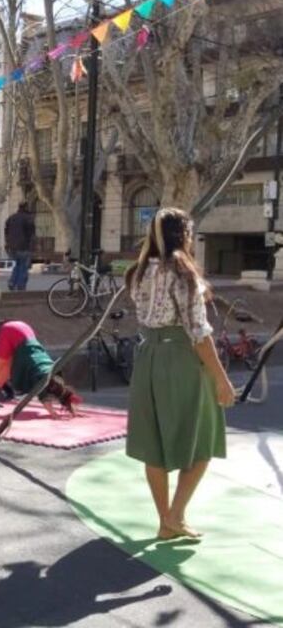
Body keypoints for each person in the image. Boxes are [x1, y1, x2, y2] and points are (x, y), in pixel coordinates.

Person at [124, 207, 234, 541]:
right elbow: (198, 333)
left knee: (153, 442)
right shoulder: (184, 274)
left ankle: (166, 522)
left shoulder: (138, 272)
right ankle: (175, 516)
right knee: (202, 439)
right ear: (183, 235)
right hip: (181, 359)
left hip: (147, 357)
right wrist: (222, 378)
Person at [0, 320, 82, 417]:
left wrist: (70, 409)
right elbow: (45, 398)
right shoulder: (43, 379)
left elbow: (58, 396)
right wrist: (53, 413)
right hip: (12, 332)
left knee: (7, 366)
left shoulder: (56, 375)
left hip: (25, 333)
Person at [4, 202, 35, 291]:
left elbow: (6, 233)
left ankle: (12, 282)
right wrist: (32, 247)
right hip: (24, 247)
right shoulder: (28, 218)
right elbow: (31, 234)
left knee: (17, 265)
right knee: (23, 266)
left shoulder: (11, 218)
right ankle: (20, 285)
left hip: (12, 247)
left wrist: (7, 244)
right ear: (26, 207)